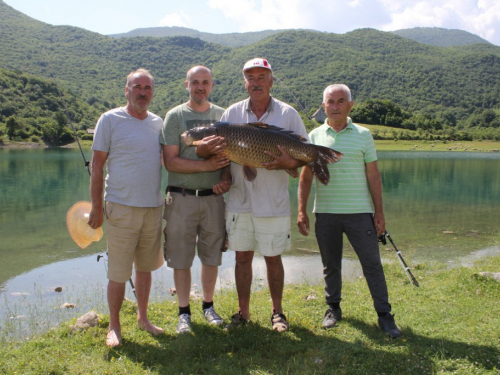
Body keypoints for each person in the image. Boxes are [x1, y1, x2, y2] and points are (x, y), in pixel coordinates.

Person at [297, 84, 402, 338]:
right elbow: (306, 178)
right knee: (330, 265)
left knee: (372, 264)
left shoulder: (364, 135)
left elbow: (373, 175)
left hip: (360, 213)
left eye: (340, 101)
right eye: (330, 102)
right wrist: (301, 210)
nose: (335, 106)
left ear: (350, 105)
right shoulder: (313, 137)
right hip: (326, 213)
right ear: (323, 106)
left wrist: (379, 212)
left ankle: (384, 315)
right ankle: (333, 308)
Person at [220, 58, 309, 332]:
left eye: (261, 76)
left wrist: (287, 163)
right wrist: (224, 178)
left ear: (271, 80)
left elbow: (304, 155)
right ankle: (243, 313)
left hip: (273, 201)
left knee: (273, 257)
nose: (256, 82)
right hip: (239, 199)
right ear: (244, 82)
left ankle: (277, 313)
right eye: (250, 77)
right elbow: (222, 156)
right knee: (242, 257)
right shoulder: (231, 114)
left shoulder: (288, 114)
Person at [88, 68, 165, 347]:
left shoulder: (159, 123)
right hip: (120, 207)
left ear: (152, 92)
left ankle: (143, 319)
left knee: (145, 268)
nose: (142, 92)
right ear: (127, 90)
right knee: (118, 272)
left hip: (153, 208)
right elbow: (97, 166)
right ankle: (114, 326)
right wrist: (97, 207)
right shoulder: (109, 120)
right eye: (137, 87)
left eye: (147, 87)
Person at [161, 65, 231, 334]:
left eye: (205, 82)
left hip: (213, 199)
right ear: (186, 85)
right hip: (181, 198)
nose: (200, 87)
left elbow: (230, 154)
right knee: (180, 257)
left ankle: (208, 306)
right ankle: (183, 313)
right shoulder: (175, 116)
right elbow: (171, 162)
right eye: (195, 82)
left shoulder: (222, 116)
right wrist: (205, 167)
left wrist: (225, 177)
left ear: (212, 85)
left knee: (212, 255)